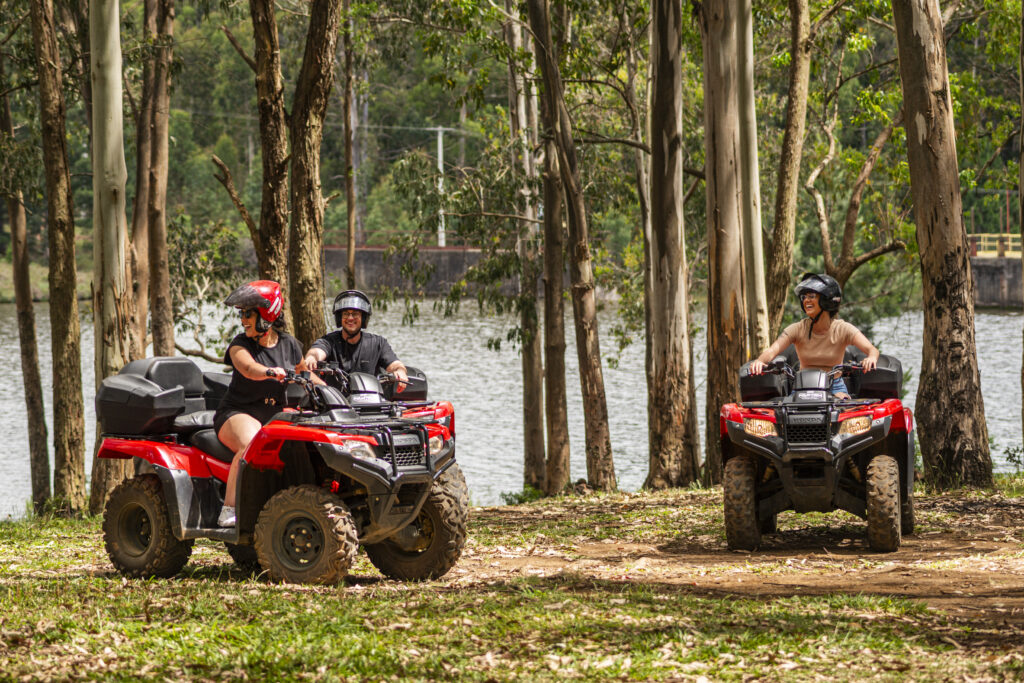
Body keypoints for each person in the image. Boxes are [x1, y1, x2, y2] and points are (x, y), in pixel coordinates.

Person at [215, 280, 303, 527]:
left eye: (248, 314)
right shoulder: (240, 345)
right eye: (242, 314)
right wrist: (270, 372)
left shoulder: (289, 344)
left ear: (266, 315)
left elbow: (306, 373)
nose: (243, 320)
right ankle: (228, 509)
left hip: (273, 415)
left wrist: (332, 389)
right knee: (252, 442)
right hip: (237, 412)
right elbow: (248, 368)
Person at [749, 273, 879, 398]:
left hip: (835, 386)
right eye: (804, 297)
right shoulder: (798, 328)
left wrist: (871, 358)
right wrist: (760, 361)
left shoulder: (843, 328)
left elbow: (872, 350)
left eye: (811, 296)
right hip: (803, 386)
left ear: (827, 299)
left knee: (844, 408)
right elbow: (773, 350)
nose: (806, 300)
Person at [301, 290, 408, 392]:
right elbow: (317, 351)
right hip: (335, 401)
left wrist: (400, 371)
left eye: (355, 314)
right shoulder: (329, 341)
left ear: (363, 318)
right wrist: (312, 358)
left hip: (370, 400)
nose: (350, 318)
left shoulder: (378, 343)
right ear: (339, 318)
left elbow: (394, 363)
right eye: (346, 314)